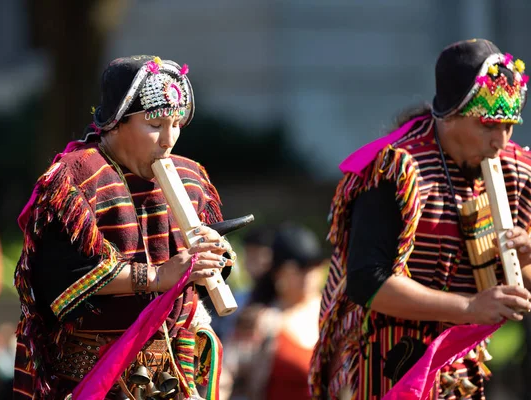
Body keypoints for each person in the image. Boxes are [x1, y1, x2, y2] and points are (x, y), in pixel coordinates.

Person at [309, 38, 531, 400]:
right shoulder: (398, 169)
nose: (500, 141)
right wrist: (469, 307)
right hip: (389, 357)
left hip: (464, 361)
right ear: (451, 115)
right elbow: (368, 282)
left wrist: (524, 259)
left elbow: (522, 287)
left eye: (509, 125)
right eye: (488, 125)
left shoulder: (516, 171)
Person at [13, 55, 236, 399]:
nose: (168, 139)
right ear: (115, 122)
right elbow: (59, 284)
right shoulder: (76, 177)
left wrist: (215, 258)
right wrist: (158, 276)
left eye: (176, 123)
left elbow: (194, 287)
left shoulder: (192, 179)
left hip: (172, 378)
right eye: (154, 124)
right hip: (92, 381)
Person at [224, 223, 325, 400]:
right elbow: (224, 374)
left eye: (314, 266)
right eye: (300, 268)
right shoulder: (259, 320)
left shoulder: (333, 315)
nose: (309, 275)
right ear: (278, 273)